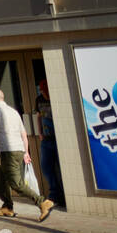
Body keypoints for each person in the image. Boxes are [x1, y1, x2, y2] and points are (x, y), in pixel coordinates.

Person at [0, 88, 53, 221]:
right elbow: (24, 134)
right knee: (2, 181)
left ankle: (42, 202)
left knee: (16, 184)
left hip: (9, 152)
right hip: (18, 151)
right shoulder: (13, 112)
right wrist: (26, 152)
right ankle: (7, 207)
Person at [37, 80, 65, 208]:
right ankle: (54, 194)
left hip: (58, 139)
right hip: (46, 139)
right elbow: (38, 116)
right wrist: (40, 133)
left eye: (45, 91)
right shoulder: (39, 100)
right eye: (42, 92)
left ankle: (64, 195)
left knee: (61, 167)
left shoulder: (56, 98)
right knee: (46, 167)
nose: (44, 94)